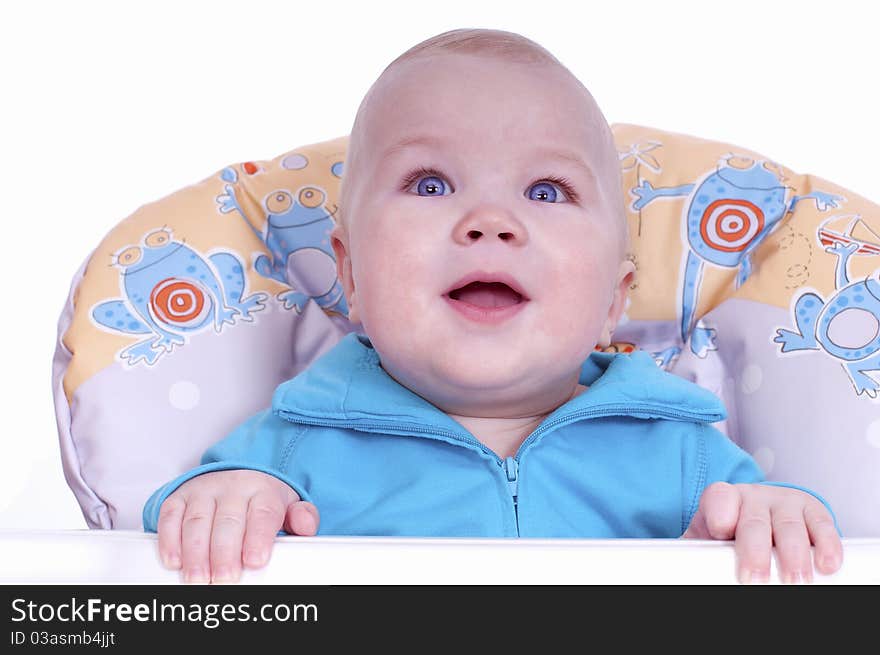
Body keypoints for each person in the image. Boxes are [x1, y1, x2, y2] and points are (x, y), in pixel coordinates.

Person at [142, 28, 843, 585]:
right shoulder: (296, 442)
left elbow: (784, 550)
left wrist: (771, 521)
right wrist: (224, 499)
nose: (489, 220)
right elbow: (168, 537)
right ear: (350, 274)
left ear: (613, 302)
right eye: (429, 182)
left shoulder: (683, 453)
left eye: (545, 192)